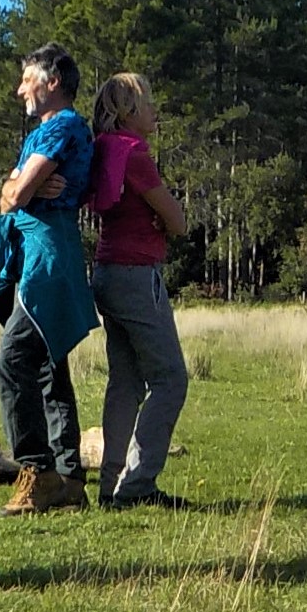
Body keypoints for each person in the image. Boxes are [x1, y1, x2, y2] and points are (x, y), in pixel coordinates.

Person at [0, 42, 96, 516]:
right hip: (39, 251)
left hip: (47, 257)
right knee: (48, 368)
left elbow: (20, 191)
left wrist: (17, 189)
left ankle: (36, 470)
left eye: (27, 79)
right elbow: (11, 194)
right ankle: (68, 478)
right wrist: (15, 190)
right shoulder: (45, 132)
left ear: (52, 83)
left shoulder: (64, 126)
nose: (19, 89)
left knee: (12, 362)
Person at [85, 72, 190, 509]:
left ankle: (111, 485)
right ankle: (138, 484)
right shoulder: (136, 154)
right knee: (170, 380)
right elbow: (179, 222)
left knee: (125, 383)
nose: (155, 112)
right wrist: (166, 219)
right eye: (148, 104)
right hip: (136, 273)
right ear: (129, 111)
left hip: (106, 272)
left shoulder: (103, 150)